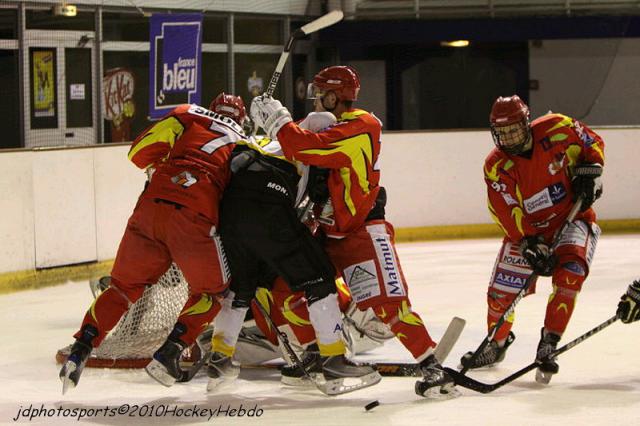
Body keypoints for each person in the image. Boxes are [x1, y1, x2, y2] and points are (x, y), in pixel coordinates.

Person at [250, 65, 454, 397]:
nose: (316, 102)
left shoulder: (362, 127)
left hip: (361, 234)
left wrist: (278, 120)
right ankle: (318, 353)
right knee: (286, 291)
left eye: (320, 95)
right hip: (327, 233)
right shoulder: (333, 126)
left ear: (334, 96)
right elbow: (288, 145)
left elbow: (304, 147)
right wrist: (261, 130)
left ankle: (432, 366)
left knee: (390, 305)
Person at [59, 93, 247, 393]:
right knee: (212, 293)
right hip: (194, 216)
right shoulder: (245, 140)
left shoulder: (188, 113)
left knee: (122, 288)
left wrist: (171, 162)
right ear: (241, 118)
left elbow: (138, 153)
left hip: (150, 208)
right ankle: (170, 352)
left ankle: (80, 349)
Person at [205, 111, 381, 395]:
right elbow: (308, 206)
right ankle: (334, 359)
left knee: (239, 289)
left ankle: (220, 360)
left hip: (230, 214)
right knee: (319, 277)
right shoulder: (307, 147)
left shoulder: (262, 141)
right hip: (269, 204)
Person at [459, 95, 605, 384]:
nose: (509, 137)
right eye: (502, 132)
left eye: (514, 129)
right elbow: (505, 209)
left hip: (572, 217)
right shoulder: (496, 166)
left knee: (570, 276)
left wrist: (593, 172)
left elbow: (592, 143)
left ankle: (549, 343)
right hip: (528, 231)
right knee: (501, 295)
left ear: (526, 123)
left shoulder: (558, 127)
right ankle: (496, 344)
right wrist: (528, 243)